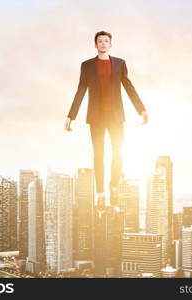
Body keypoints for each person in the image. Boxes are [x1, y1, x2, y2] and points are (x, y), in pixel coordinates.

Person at [64, 30, 148, 207]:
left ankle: (114, 186)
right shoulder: (86, 65)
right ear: (95, 45)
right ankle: (100, 191)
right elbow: (80, 90)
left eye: (106, 41)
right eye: (100, 41)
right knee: (98, 155)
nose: (103, 43)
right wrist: (71, 116)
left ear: (110, 44)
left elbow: (129, 87)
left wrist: (142, 110)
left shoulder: (119, 63)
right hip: (96, 116)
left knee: (118, 152)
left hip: (116, 116)